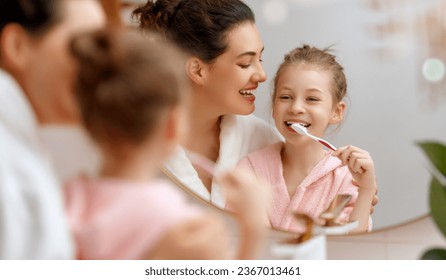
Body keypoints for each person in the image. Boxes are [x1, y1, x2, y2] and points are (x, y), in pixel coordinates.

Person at [65, 28, 270, 259]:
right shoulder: (181, 227)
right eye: (245, 63)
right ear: (172, 125)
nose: (260, 74)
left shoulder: (69, 199)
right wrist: (253, 227)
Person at [132, 0, 282, 208]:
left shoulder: (265, 141)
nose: (262, 75)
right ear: (197, 70)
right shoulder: (134, 146)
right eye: (246, 63)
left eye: (260, 59)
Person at [0, 0, 105, 259]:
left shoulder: (20, 146)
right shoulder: (10, 167)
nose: (103, 68)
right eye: (86, 47)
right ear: (17, 47)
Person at [237, 45, 377, 234]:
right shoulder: (251, 170)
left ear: (336, 112)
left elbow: (351, 248)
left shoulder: (344, 177)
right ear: (273, 106)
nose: (296, 108)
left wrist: (366, 189)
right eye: (285, 97)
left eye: (311, 99)